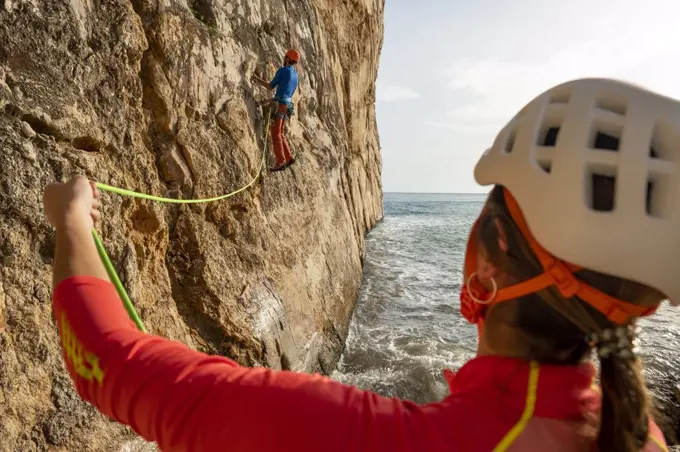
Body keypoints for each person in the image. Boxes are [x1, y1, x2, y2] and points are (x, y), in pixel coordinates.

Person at [45, 78, 678, 452]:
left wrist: (73, 221)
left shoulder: (376, 439)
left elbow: (109, 364)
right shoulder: (638, 433)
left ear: (490, 257)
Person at [251, 49, 300, 172]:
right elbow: (288, 92)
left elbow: (270, 86)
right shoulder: (295, 75)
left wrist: (255, 78)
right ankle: (288, 157)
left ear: (288, 58)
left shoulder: (283, 71)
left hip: (281, 104)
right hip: (287, 105)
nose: (284, 59)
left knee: (275, 133)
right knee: (280, 132)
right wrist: (270, 100)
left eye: (285, 57)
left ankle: (281, 161)